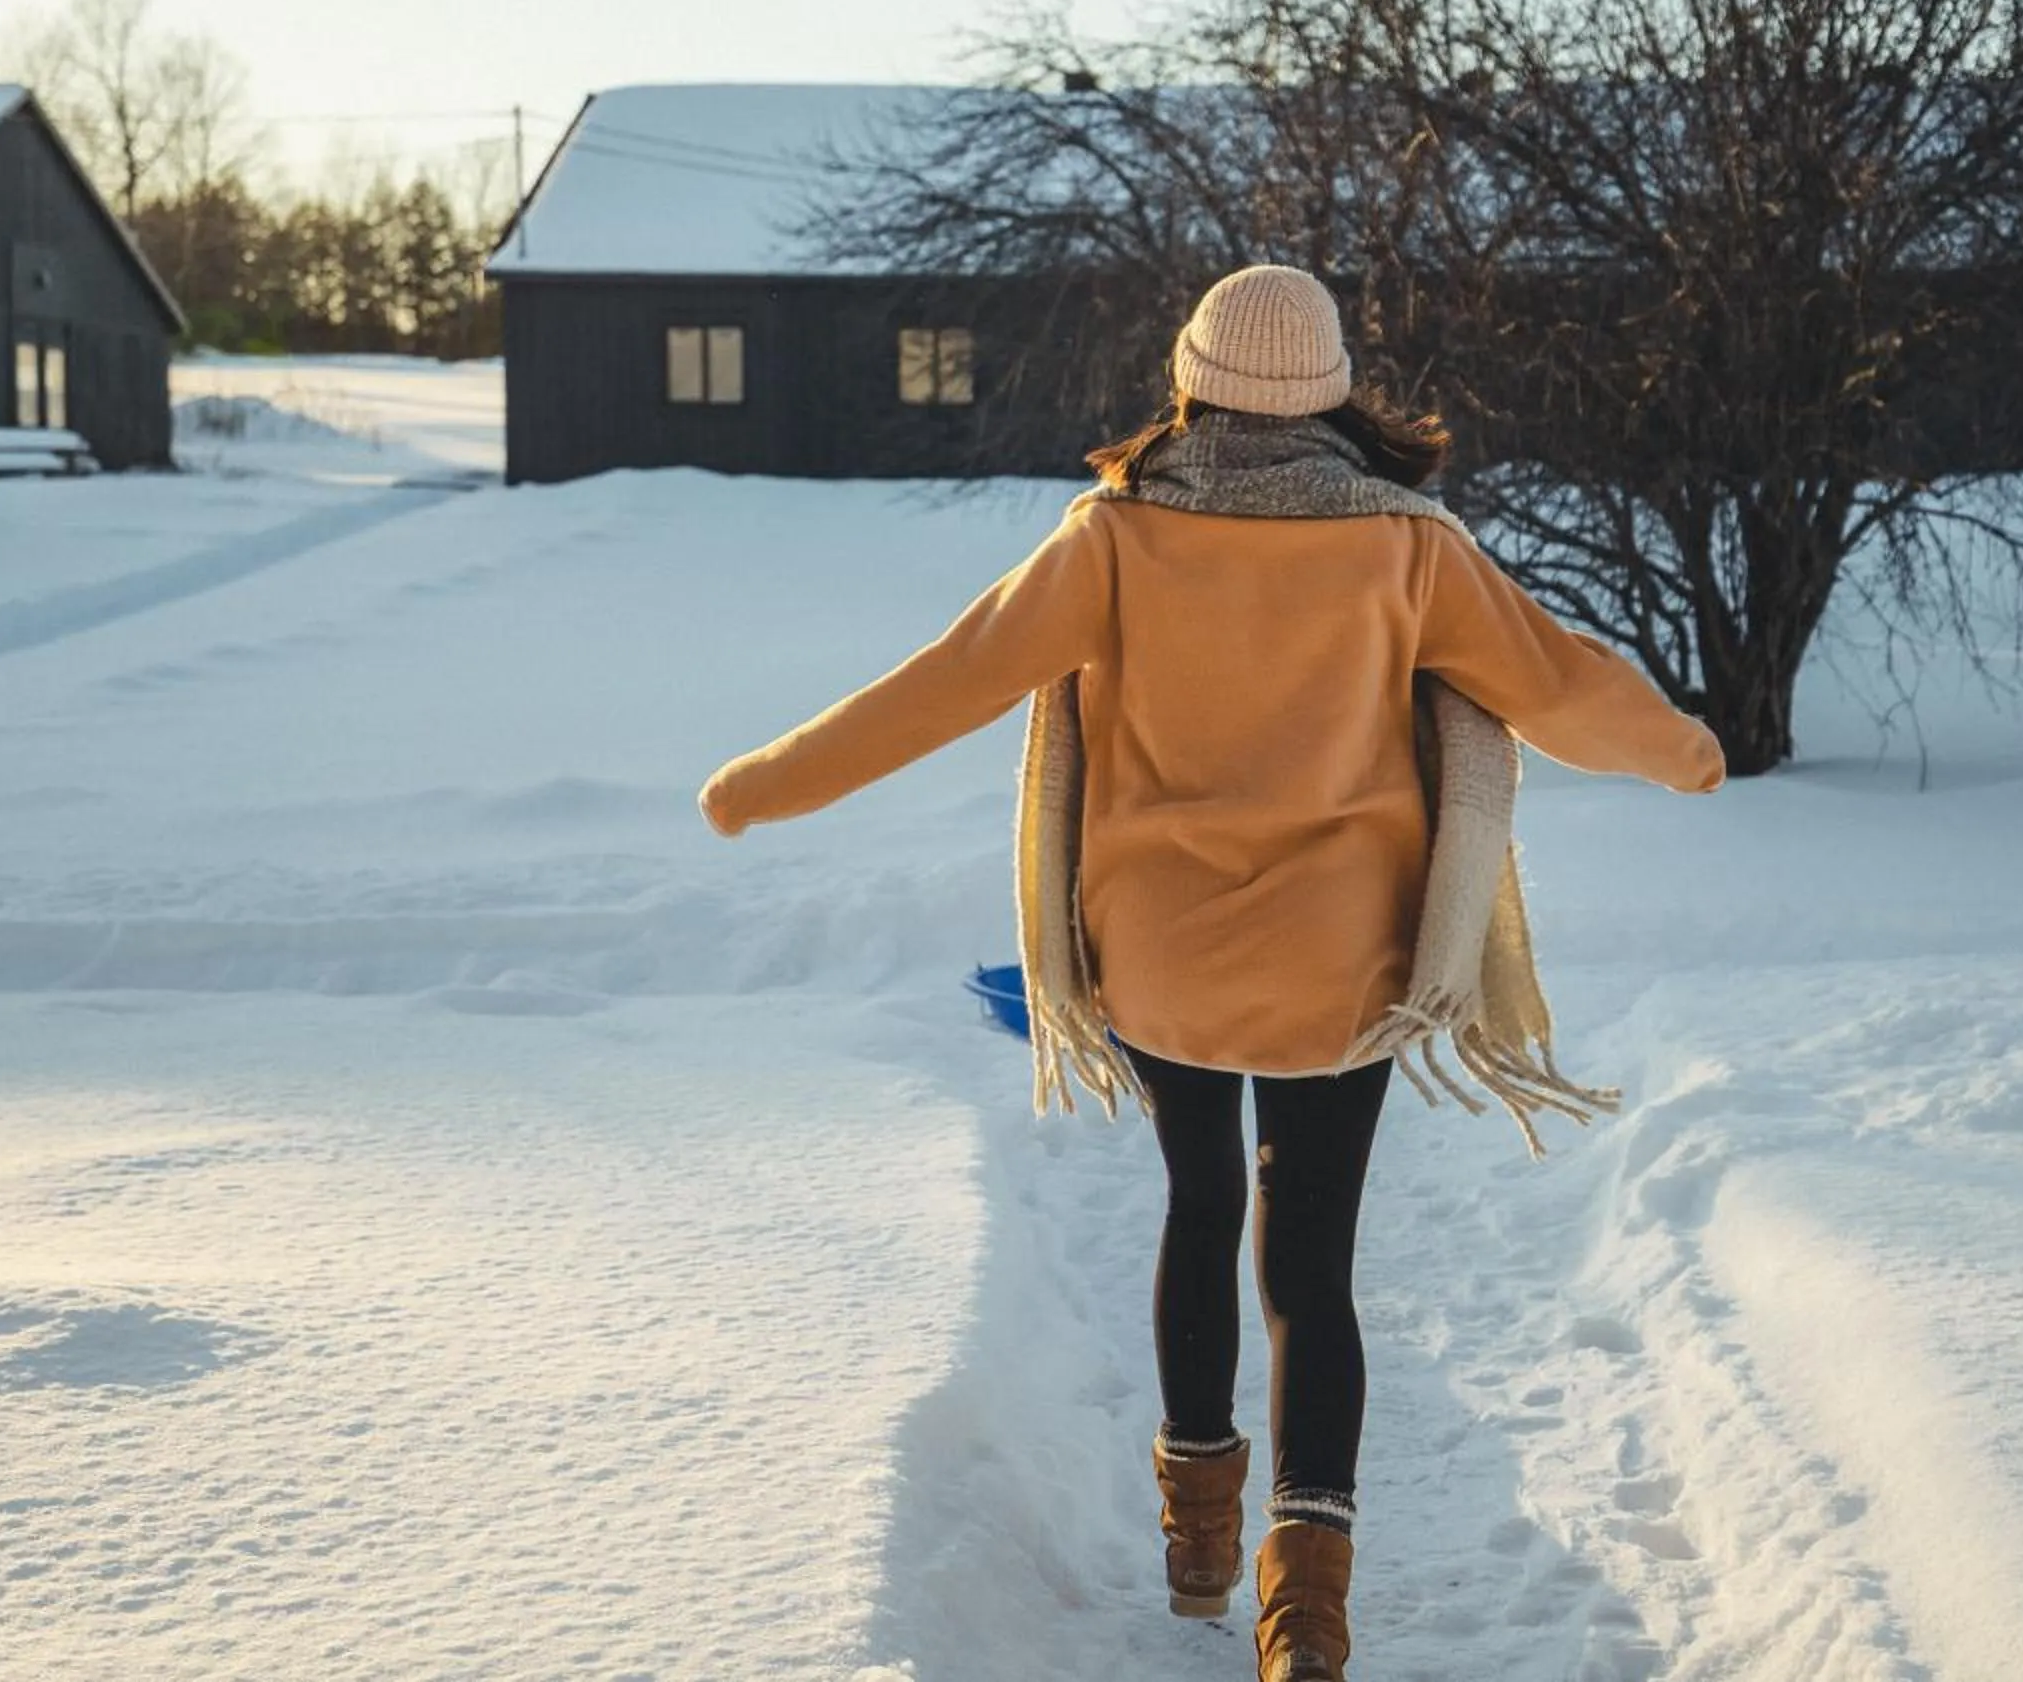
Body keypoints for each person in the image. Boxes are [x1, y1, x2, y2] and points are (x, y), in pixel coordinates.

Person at [698, 264, 1724, 1682]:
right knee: (1309, 1265)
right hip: (1346, 968)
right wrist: (1686, 748)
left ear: (1190, 383)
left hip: (1165, 959)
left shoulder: (1114, 537)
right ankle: (1304, 1613)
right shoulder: (1409, 545)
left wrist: (765, 784)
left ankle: (1197, 1538)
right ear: (1331, 393)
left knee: (1194, 1203)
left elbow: (946, 679)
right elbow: (1558, 682)